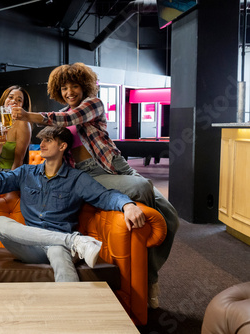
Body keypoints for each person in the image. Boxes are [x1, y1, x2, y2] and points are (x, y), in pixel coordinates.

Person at [12, 62, 179, 308]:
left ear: (84, 86)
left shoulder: (93, 104)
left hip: (116, 166)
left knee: (171, 217)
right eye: (65, 88)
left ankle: (151, 273)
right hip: (89, 174)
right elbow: (45, 137)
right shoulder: (60, 113)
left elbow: (68, 117)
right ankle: (147, 279)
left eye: (75, 86)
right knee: (143, 188)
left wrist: (28, 114)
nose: (70, 92)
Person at [0, 126, 146, 282]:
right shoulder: (26, 172)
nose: (42, 144)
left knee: (58, 250)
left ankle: (71, 309)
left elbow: (105, 196)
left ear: (62, 146)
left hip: (57, 245)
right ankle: (73, 241)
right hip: (29, 246)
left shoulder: (76, 178)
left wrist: (128, 205)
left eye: (48, 140)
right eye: (42, 140)